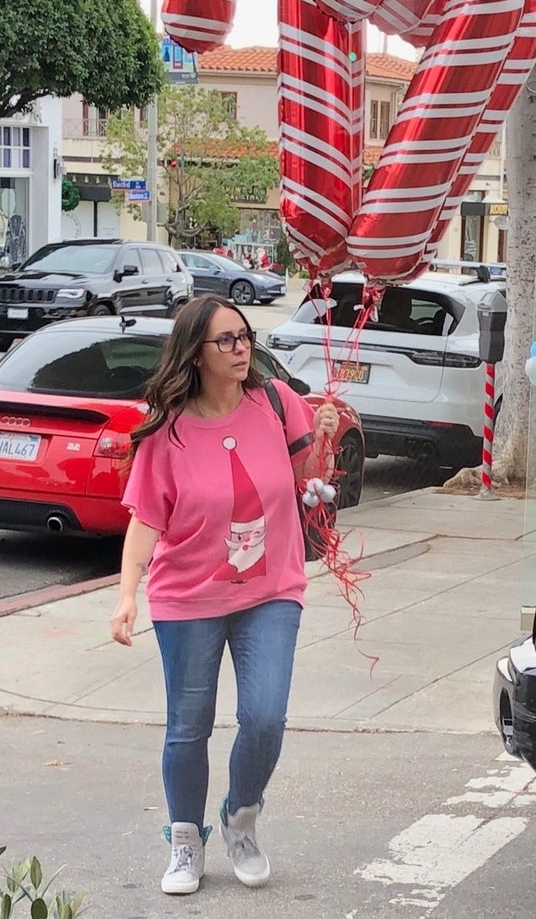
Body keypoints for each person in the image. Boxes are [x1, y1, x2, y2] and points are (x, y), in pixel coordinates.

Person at [110, 295, 339, 897]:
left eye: (246, 337)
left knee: (265, 715)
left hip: (271, 588)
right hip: (188, 594)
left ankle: (241, 818)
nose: (242, 350)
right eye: (227, 341)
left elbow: (306, 470)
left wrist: (326, 442)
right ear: (197, 353)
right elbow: (145, 520)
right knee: (189, 725)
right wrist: (127, 594)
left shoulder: (276, 402)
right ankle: (185, 839)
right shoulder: (169, 432)